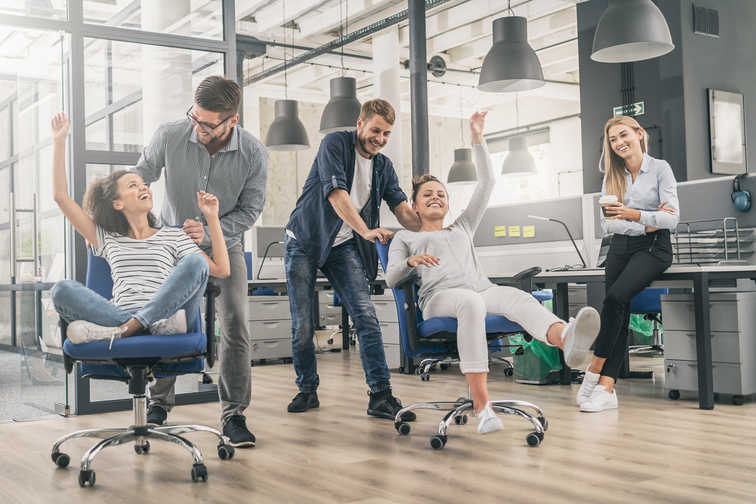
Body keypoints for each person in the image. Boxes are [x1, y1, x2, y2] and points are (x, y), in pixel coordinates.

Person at [386, 111, 600, 434]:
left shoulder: (463, 226)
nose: (435, 198)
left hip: (481, 290)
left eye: (441, 194)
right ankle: (483, 406)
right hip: (437, 298)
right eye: (427, 194)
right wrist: (410, 264)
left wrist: (478, 139)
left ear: (447, 204)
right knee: (469, 304)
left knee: (518, 297)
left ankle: (566, 338)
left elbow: (487, 183)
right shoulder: (405, 238)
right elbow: (391, 278)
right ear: (414, 205)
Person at [131, 75, 268, 447]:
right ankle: (159, 403)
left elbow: (251, 209)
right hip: (171, 246)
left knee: (236, 322)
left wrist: (209, 231)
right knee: (166, 320)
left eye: (207, 124)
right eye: (195, 117)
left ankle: (234, 414)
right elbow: (141, 174)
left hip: (225, 246)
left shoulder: (253, 154)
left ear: (232, 121)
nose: (198, 127)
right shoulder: (171, 134)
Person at [284, 98, 421, 420]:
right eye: (375, 130)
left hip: (342, 247)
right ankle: (307, 390)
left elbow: (402, 209)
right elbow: (336, 194)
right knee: (302, 325)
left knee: (366, 317)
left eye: (386, 133)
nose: (380, 139)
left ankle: (380, 396)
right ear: (360, 124)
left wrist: (432, 223)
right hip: (304, 240)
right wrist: (366, 230)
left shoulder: (383, 166)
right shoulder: (334, 144)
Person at [49, 111, 230, 353]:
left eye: (144, 185)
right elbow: (61, 197)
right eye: (133, 186)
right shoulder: (106, 238)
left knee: (196, 262)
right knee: (61, 289)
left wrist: (212, 218)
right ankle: (137, 326)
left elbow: (221, 269)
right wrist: (59, 141)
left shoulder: (172, 236)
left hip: (169, 312)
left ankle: (124, 330)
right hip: (126, 314)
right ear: (117, 203)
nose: (144, 188)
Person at [577, 115, 679, 413]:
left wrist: (633, 215)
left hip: (654, 248)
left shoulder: (660, 169)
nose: (619, 142)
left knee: (615, 298)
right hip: (620, 248)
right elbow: (607, 225)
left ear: (639, 134)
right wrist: (645, 222)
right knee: (617, 314)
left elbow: (671, 219)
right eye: (613, 139)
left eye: (624, 135)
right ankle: (608, 389)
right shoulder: (612, 176)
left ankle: (594, 370)